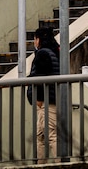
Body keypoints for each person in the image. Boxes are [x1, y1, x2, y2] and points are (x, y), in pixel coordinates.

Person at [29, 27, 60, 160]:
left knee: (49, 135)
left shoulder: (42, 54)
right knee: (42, 135)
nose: (34, 42)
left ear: (39, 39)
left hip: (45, 101)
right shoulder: (53, 52)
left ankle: (61, 164)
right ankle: (43, 163)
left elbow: (40, 77)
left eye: (35, 39)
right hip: (50, 99)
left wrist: (38, 99)